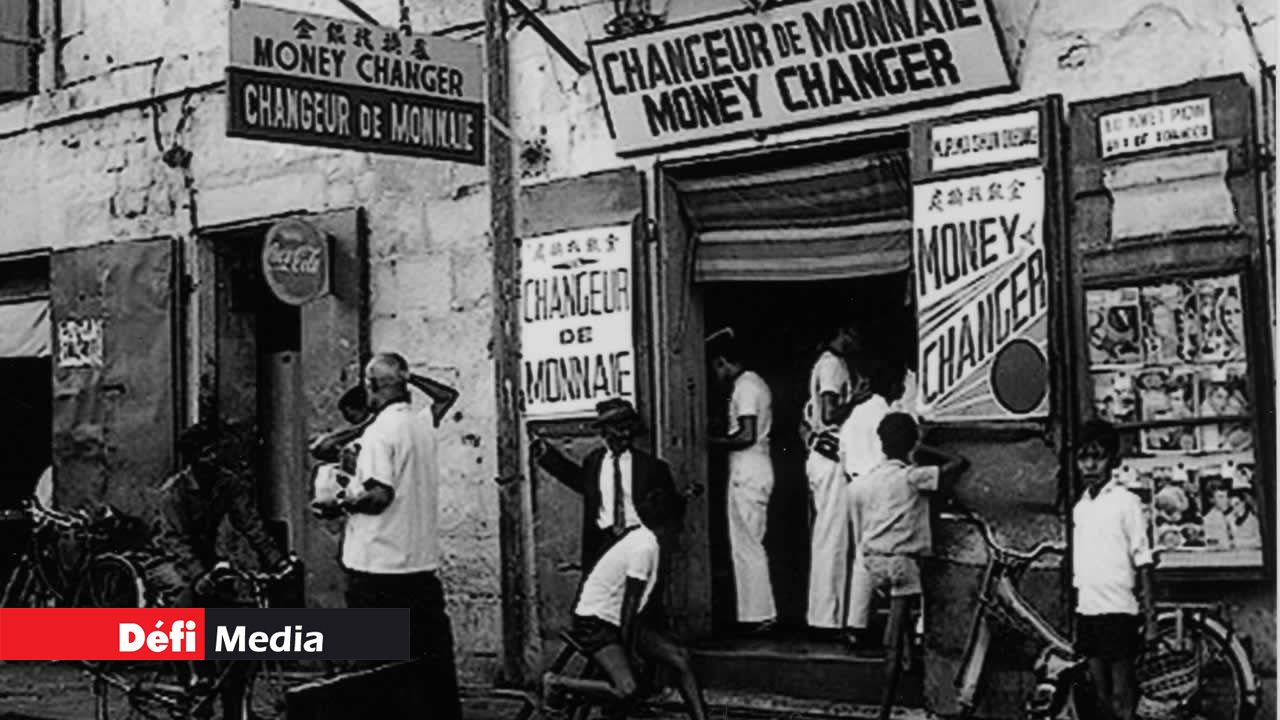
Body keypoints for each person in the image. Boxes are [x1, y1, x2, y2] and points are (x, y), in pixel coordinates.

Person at [310, 352, 462, 720]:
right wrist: (410, 378)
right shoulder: (420, 424)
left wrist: (342, 503)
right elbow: (447, 396)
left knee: (375, 670)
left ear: (371, 386)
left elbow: (379, 496)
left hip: (377, 569)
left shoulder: (379, 434)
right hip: (419, 567)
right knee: (430, 665)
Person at [147, 421, 297, 719]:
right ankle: (192, 674)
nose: (214, 458)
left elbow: (251, 524)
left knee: (236, 606)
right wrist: (200, 575)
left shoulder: (228, 483)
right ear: (192, 459)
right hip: (167, 559)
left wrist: (278, 562)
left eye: (216, 451)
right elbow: (175, 542)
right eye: (206, 453)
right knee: (185, 595)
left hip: (206, 560)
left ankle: (233, 696)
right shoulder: (173, 492)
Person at [542, 487, 709, 720]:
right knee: (627, 689)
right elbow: (629, 605)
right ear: (669, 524)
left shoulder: (649, 538)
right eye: (678, 525)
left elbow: (632, 609)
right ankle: (558, 683)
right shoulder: (645, 547)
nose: (680, 532)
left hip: (618, 619)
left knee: (680, 658)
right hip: (595, 622)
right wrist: (631, 653)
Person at [847, 413, 967, 720]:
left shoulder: (864, 483)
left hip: (873, 562)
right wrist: (924, 447)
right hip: (903, 564)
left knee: (898, 631)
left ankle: (905, 655)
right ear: (910, 443)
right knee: (894, 638)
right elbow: (958, 463)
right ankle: (885, 709)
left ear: (881, 443)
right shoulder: (913, 477)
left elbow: (858, 528)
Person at [532, 398, 678, 575]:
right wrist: (547, 456)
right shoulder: (594, 462)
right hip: (603, 542)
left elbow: (672, 510)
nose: (625, 434)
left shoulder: (652, 467)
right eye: (619, 429)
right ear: (604, 432)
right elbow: (580, 482)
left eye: (629, 428)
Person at [1072, 419, 1157, 720]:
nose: (1090, 465)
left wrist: (1150, 617)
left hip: (1119, 610)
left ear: (1113, 461)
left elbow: (1143, 559)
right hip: (1089, 610)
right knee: (1099, 693)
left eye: (1098, 457)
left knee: (1123, 694)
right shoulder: (1080, 508)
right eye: (1084, 457)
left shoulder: (1126, 502)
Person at [707, 330, 777, 632]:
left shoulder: (745, 386)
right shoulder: (753, 383)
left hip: (748, 468)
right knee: (748, 542)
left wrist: (712, 442)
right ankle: (754, 613)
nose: (716, 374)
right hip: (754, 467)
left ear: (723, 362)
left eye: (716, 367)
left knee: (748, 543)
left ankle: (759, 615)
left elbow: (746, 435)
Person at [801, 324, 858, 633]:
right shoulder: (833, 364)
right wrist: (858, 400)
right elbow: (828, 413)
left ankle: (825, 615)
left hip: (823, 455)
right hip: (830, 454)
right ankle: (825, 619)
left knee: (829, 536)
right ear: (842, 332)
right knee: (832, 538)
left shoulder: (829, 362)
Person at [839, 360, 891, 648]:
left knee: (861, 554)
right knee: (882, 551)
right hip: (877, 481)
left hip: (854, 483)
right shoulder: (884, 410)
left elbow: (842, 451)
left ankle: (855, 624)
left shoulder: (855, 414)